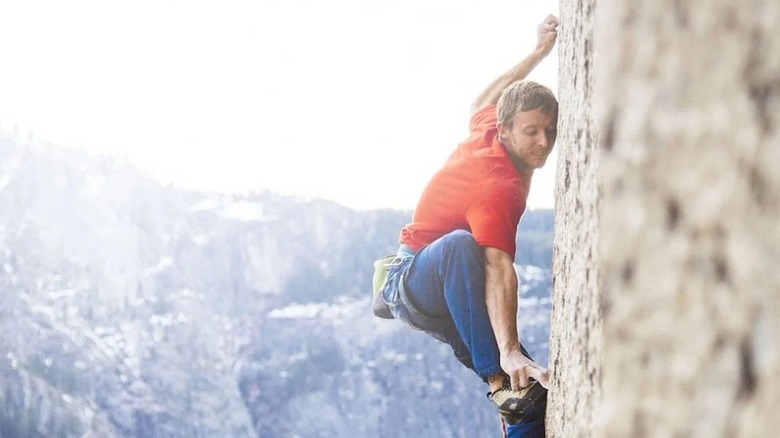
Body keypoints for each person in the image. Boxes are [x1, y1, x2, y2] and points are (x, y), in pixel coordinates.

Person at [376, 14, 559, 438]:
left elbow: (484, 99)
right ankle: (499, 385)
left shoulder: (487, 125)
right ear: (506, 129)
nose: (544, 143)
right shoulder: (498, 185)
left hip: (455, 293)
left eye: (550, 131)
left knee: (530, 402)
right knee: (461, 245)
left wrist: (537, 53)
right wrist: (508, 352)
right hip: (414, 278)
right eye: (531, 131)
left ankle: (512, 404)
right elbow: (497, 267)